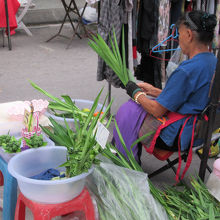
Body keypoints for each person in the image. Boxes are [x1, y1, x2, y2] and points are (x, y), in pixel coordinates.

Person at [113, 10, 217, 171]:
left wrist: (135, 93)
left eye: (179, 33)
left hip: (177, 134)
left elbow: (157, 111)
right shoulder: (212, 62)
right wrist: (154, 90)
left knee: (129, 110)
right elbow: (188, 98)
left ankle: (126, 166)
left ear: (189, 34)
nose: (177, 38)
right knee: (135, 108)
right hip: (201, 130)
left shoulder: (187, 70)